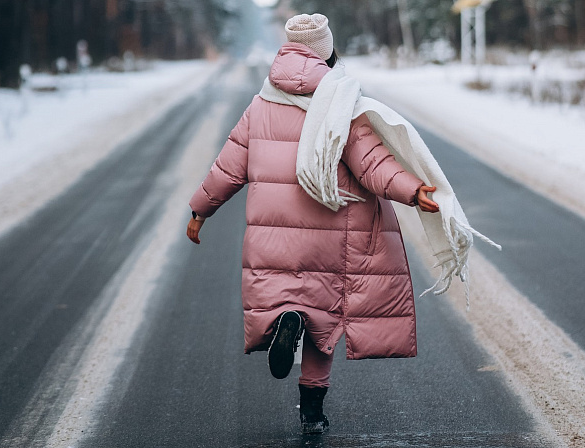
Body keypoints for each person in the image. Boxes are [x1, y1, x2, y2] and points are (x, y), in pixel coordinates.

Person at [187, 13, 440, 435]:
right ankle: (312, 413)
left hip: (273, 238)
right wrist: (413, 191)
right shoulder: (340, 103)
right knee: (325, 324)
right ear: (326, 50)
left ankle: (286, 317)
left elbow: (227, 168)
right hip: (329, 230)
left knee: (290, 300)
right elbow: (372, 162)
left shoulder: (261, 103)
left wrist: (199, 211)